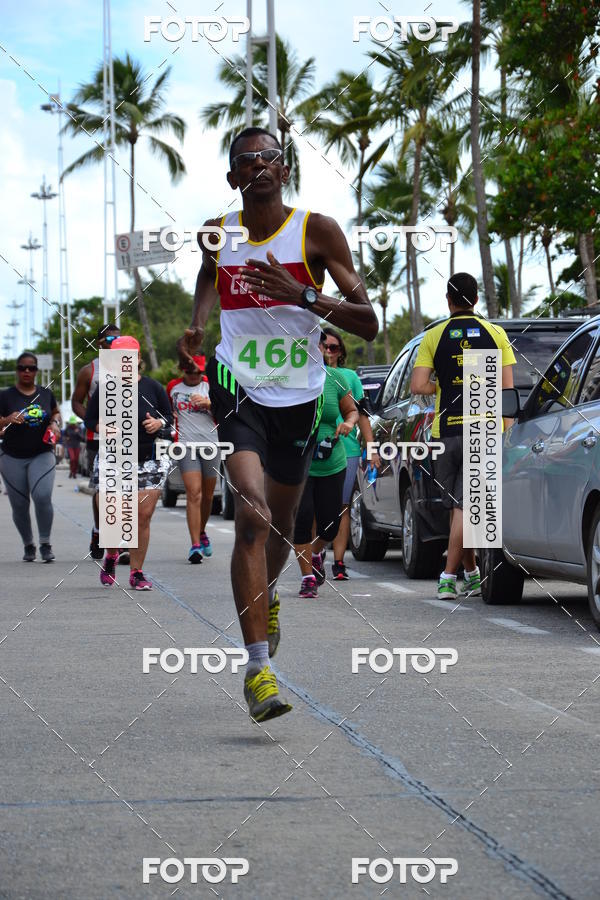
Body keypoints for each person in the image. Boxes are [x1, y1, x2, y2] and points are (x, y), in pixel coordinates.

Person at [177, 126, 378, 722]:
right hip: (237, 383)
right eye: (247, 159)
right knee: (253, 513)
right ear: (233, 176)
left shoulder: (318, 231)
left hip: (300, 396)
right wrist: (198, 322)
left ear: (285, 170)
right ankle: (258, 668)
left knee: (285, 526)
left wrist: (302, 294)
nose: (260, 165)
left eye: (270, 156)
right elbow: (208, 273)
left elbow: (368, 322)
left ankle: (266, 601)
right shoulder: (217, 233)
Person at [410, 272, 516, 600]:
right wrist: (506, 434)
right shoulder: (495, 333)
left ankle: (469, 574)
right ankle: (448, 577)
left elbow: (418, 386)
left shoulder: (434, 335)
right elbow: (506, 390)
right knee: (467, 507)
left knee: (459, 506)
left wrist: (442, 384)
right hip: (482, 431)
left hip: (445, 433)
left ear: (448, 300)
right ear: (477, 299)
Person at [84, 336, 173, 591]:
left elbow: (168, 416)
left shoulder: (153, 387)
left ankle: (137, 573)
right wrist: (102, 427)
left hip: (149, 460)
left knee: (141, 517)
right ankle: (112, 555)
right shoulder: (105, 388)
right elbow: (90, 420)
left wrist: (158, 423)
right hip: (113, 458)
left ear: (138, 359)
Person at [293, 339, 358, 597]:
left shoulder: (335, 378)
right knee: (302, 519)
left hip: (332, 461)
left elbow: (352, 411)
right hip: (300, 461)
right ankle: (307, 577)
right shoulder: (290, 379)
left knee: (330, 525)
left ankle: (316, 552)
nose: (319, 351)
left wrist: (349, 423)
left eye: (323, 347)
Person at [320, 327, 381, 580]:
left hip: (347, 451)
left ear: (340, 351)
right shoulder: (309, 375)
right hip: (315, 451)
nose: (328, 351)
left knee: (342, 506)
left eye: (334, 347)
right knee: (315, 507)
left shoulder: (350, 377)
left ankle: (338, 563)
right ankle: (315, 556)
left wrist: (372, 449)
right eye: (325, 346)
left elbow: (362, 415)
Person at [0, 352, 61, 562]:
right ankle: (28, 544)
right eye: (22, 368)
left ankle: (45, 543)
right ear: (17, 370)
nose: (27, 371)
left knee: (42, 496)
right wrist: (7, 419)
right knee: (19, 504)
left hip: (42, 453)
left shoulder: (45, 393)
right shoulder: (5, 396)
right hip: (11, 456)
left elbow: (55, 412)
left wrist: (55, 424)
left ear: (36, 371)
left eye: (31, 368)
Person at [71, 323, 121, 560]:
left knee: (122, 489)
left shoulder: (129, 366)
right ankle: (99, 531)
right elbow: (76, 402)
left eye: (118, 339)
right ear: (100, 343)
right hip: (97, 438)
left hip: (126, 438)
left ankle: (119, 540)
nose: (115, 344)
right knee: (103, 488)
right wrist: (93, 421)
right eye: (110, 340)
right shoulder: (89, 371)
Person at [166, 354, 218, 563]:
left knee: (208, 496)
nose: (194, 376)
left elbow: (228, 410)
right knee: (194, 493)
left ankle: (202, 530)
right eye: (190, 372)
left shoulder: (210, 385)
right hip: (185, 444)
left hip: (212, 444)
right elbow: (165, 411)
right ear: (183, 370)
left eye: (198, 372)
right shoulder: (173, 387)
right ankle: (195, 545)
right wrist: (167, 419)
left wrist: (208, 404)